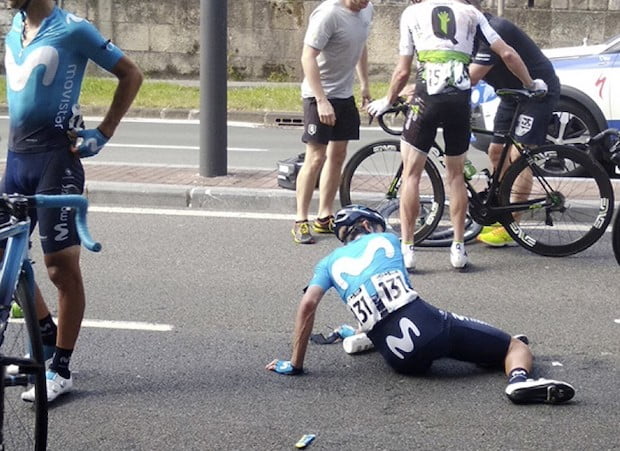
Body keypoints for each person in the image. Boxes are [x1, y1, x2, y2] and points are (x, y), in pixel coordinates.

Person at [266, 205, 575, 404]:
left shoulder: (327, 263)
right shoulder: (386, 238)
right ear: (366, 224)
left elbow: (308, 305)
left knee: (454, 343)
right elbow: (396, 291)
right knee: (516, 346)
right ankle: (519, 382)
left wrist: (295, 364)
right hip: (427, 325)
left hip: (398, 359)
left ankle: (365, 336)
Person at [1, 0, 143, 403]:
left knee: (60, 267)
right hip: (16, 159)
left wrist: (104, 132)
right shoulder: (15, 26)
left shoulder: (72, 28)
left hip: (56, 161)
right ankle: (43, 329)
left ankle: (60, 367)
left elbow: (130, 73)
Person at [366, 0, 547, 270]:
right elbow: (507, 54)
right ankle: (459, 249)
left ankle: (407, 250)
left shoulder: (412, 13)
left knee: (411, 175)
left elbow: (403, 71)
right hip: (459, 101)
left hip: (426, 100)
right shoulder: (471, 12)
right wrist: (531, 84)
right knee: (456, 177)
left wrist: (388, 99)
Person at [467, 0, 561, 247]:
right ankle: (504, 207)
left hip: (537, 92)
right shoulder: (466, 33)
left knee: (518, 156)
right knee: (496, 151)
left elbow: (472, 77)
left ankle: (511, 223)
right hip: (511, 94)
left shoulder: (493, 29)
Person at [292, 0, 373, 244]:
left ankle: (324, 215)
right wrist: (321, 100)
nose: (365, 2)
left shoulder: (367, 10)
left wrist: (364, 84)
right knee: (316, 157)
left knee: (338, 154)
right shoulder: (329, 14)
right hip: (319, 94)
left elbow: (360, 45)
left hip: (344, 94)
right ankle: (300, 220)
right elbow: (308, 57)